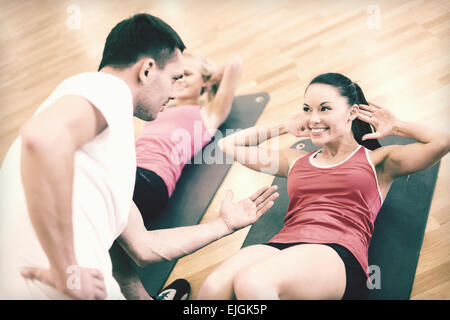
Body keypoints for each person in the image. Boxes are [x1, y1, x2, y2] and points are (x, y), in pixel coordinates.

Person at [0, 13, 278, 300]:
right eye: (173, 78)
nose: (173, 91)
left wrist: (225, 224)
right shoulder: (107, 89)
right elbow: (39, 140)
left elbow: (144, 247)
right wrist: (66, 269)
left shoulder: (99, 144)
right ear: (146, 70)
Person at [198, 72, 450, 300]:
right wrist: (283, 127)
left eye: (325, 108)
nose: (313, 118)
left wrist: (396, 126)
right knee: (213, 288)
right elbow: (228, 146)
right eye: (307, 109)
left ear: (351, 113)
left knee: (253, 283)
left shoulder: (378, 162)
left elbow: (442, 141)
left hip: (336, 252)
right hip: (281, 245)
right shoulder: (294, 160)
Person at [109, 51, 243, 299]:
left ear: (205, 82)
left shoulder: (207, 114)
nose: (180, 80)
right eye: (177, 76)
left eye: (187, 75)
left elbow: (234, 64)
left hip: (150, 180)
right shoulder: (157, 110)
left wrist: (207, 76)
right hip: (127, 172)